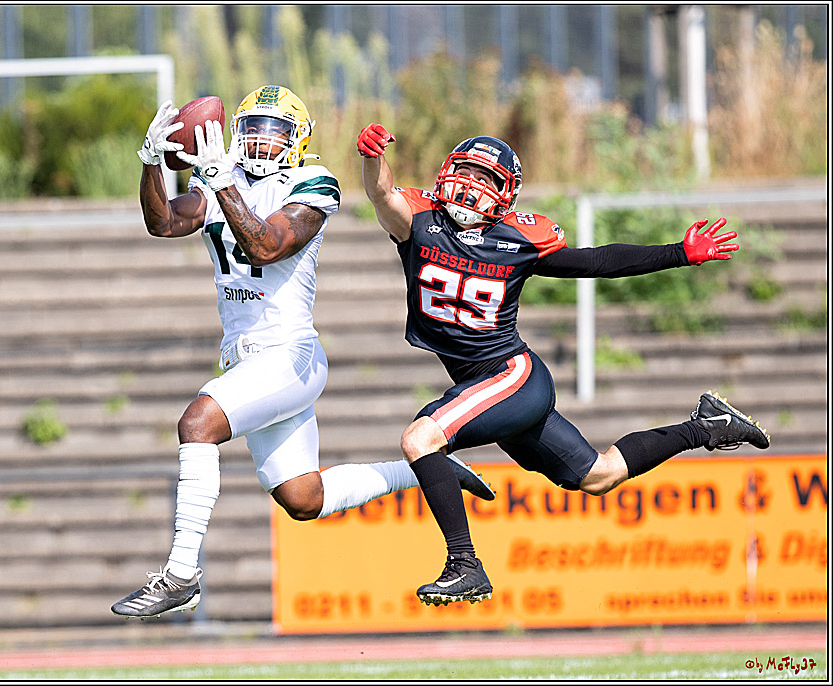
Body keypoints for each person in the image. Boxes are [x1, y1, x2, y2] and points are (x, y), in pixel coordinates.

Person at [110, 87, 495, 619]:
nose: (262, 143)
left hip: (290, 355)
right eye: (253, 130)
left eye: (275, 131)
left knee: (197, 423)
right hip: (246, 360)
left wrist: (223, 184)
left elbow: (267, 244)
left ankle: (180, 574)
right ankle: (432, 472)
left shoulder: (314, 185)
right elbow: (164, 222)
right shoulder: (219, 178)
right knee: (303, 500)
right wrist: (153, 166)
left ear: (299, 139)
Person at [356, 123, 771, 606]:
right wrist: (370, 156)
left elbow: (597, 261)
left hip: (510, 378)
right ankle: (706, 427)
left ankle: (465, 564)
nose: (470, 184)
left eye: (483, 178)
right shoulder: (419, 222)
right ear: (445, 172)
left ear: (504, 195)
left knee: (420, 437)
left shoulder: (519, 242)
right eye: (464, 171)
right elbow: (382, 191)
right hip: (486, 389)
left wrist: (679, 253)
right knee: (599, 475)